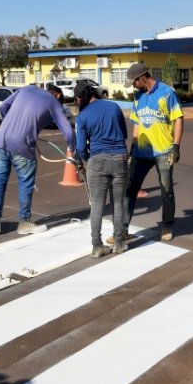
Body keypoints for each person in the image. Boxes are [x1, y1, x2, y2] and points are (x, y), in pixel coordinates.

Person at [0, 84, 76, 235]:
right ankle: (24, 222)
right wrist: (74, 150)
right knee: (25, 183)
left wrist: (11, 126)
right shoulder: (54, 103)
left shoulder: (26, 89)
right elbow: (68, 132)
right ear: (58, 95)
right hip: (22, 146)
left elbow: (3, 106)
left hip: (1, 141)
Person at [119, 63, 184, 243]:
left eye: (134, 82)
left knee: (166, 190)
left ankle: (167, 225)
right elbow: (137, 123)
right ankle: (122, 230)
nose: (133, 86)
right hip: (141, 152)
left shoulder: (167, 93)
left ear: (142, 78)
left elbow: (178, 119)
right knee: (130, 190)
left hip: (163, 151)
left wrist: (176, 146)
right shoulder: (138, 96)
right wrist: (133, 145)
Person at [74, 81, 129, 258]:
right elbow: (124, 133)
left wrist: (88, 160)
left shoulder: (82, 116)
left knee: (97, 205)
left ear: (81, 97)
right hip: (120, 157)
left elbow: (81, 148)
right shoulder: (113, 106)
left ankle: (97, 246)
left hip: (97, 160)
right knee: (118, 203)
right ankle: (119, 242)